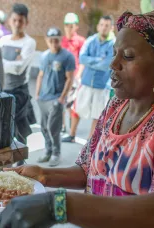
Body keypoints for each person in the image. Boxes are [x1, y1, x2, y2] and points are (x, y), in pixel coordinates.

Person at [0, 8, 154, 228]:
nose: (113, 64)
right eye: (114, 53)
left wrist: (59, 205)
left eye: (128, 56)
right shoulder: (116, 106)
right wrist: (43, 175)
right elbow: (87, 170)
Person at [62, 15, 115, 143]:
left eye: (107, 25)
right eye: (101, 25)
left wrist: (92, 61)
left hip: (101, 86)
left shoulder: (114, 44)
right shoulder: (91, 40)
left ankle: (89, 141)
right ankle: (72, 134)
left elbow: (106, 64)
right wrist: (98, 60)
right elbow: (82, 58)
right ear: (98, 26)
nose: (103, 28)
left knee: (97, 115)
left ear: (112, 28)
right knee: (77, 108)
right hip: (86, 83)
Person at [35, 27, 75, 166]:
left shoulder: (67, 56)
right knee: (44, 127)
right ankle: (48, 151)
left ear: (60, 40)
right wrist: (37, 94)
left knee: (54, 128)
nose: (53, 43)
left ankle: (56, 153)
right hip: (43, 98)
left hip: (56, 98)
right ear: (46, 40)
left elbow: (70, 79)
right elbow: (40, 75)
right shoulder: (44, 56)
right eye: (50, 40)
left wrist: (62, 98)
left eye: (56, 40)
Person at [0, 3, 37, 146]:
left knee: (20, 131)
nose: (17, 24)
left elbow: (18, 69)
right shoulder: (3, 40)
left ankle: (21, 163)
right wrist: (12, 62)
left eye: (21, 21)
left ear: (26, 22)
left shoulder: (29, 42)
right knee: (3, 128)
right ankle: (6, 164)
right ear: (9, 20)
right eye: (14, 20)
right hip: (2, 90)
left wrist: (2, 63)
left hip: (19, 92)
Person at [61, 12, 86, 133]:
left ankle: (72, 130)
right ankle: (62, 126)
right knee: (60, 102)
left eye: (72, 25)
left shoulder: (81, 41)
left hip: (75, 77)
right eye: (67, 25)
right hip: (62, 77)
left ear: (76, 27)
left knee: (72, 104)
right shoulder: (62, 40)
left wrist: (78, 75)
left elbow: (83, 60)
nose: (69, 28)